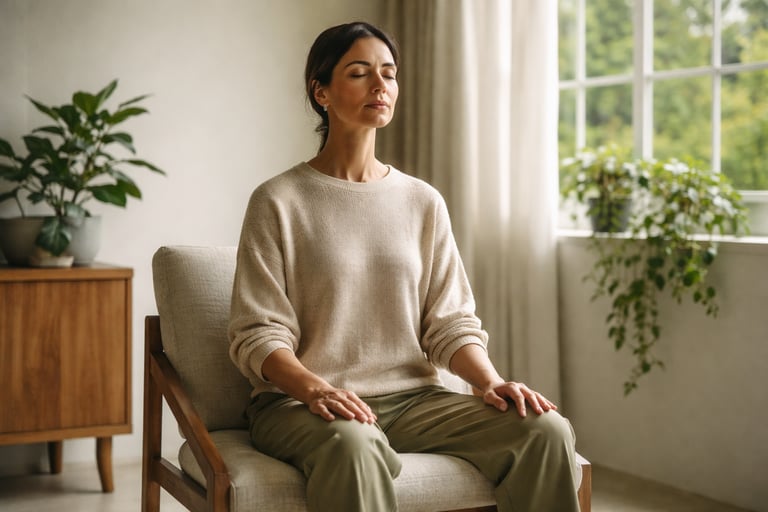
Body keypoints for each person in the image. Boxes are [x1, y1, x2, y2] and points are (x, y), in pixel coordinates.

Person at [228, 21, 580, 512]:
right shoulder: (278, 200)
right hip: (301, 405)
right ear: (320, 92)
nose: (380, 86)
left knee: (544, 429)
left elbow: (450, 323)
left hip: (415, 402)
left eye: (389, 74)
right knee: (353, 442)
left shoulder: (422, 201)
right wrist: (317, 390)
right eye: (360, 73)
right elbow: (258, 334)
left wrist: (491, 382)